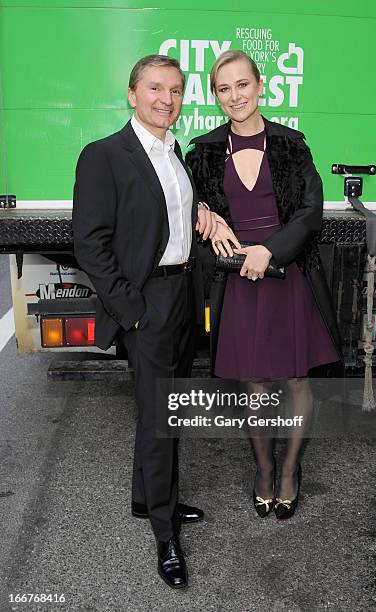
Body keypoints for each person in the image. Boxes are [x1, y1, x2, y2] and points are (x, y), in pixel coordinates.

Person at [73, 54, 220, 589]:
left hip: (181, 295)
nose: (167, 99)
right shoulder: (105, 155)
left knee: (165, 408)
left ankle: (147, 499)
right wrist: (132, 312)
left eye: (176, 90)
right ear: (132, 94)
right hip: (148, 304)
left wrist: (201, 209)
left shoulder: (173, 153)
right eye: (156, 88)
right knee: (161, 419)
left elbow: (169, 215)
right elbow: (90, 243)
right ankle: (166, 535)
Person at [186, 50, 342, 520]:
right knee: (254, 382)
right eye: (223, 89)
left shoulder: (293, 146)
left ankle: (290, 470)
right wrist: (201, 210)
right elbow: (181, 198)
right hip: (237, 280)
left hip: (287, 273)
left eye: (242, 85)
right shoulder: (205, 151)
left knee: (295, 378)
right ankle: (263, 467)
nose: (234, 96)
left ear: (260, 86)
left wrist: (269, 250)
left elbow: (310, 213)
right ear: (216, 96)